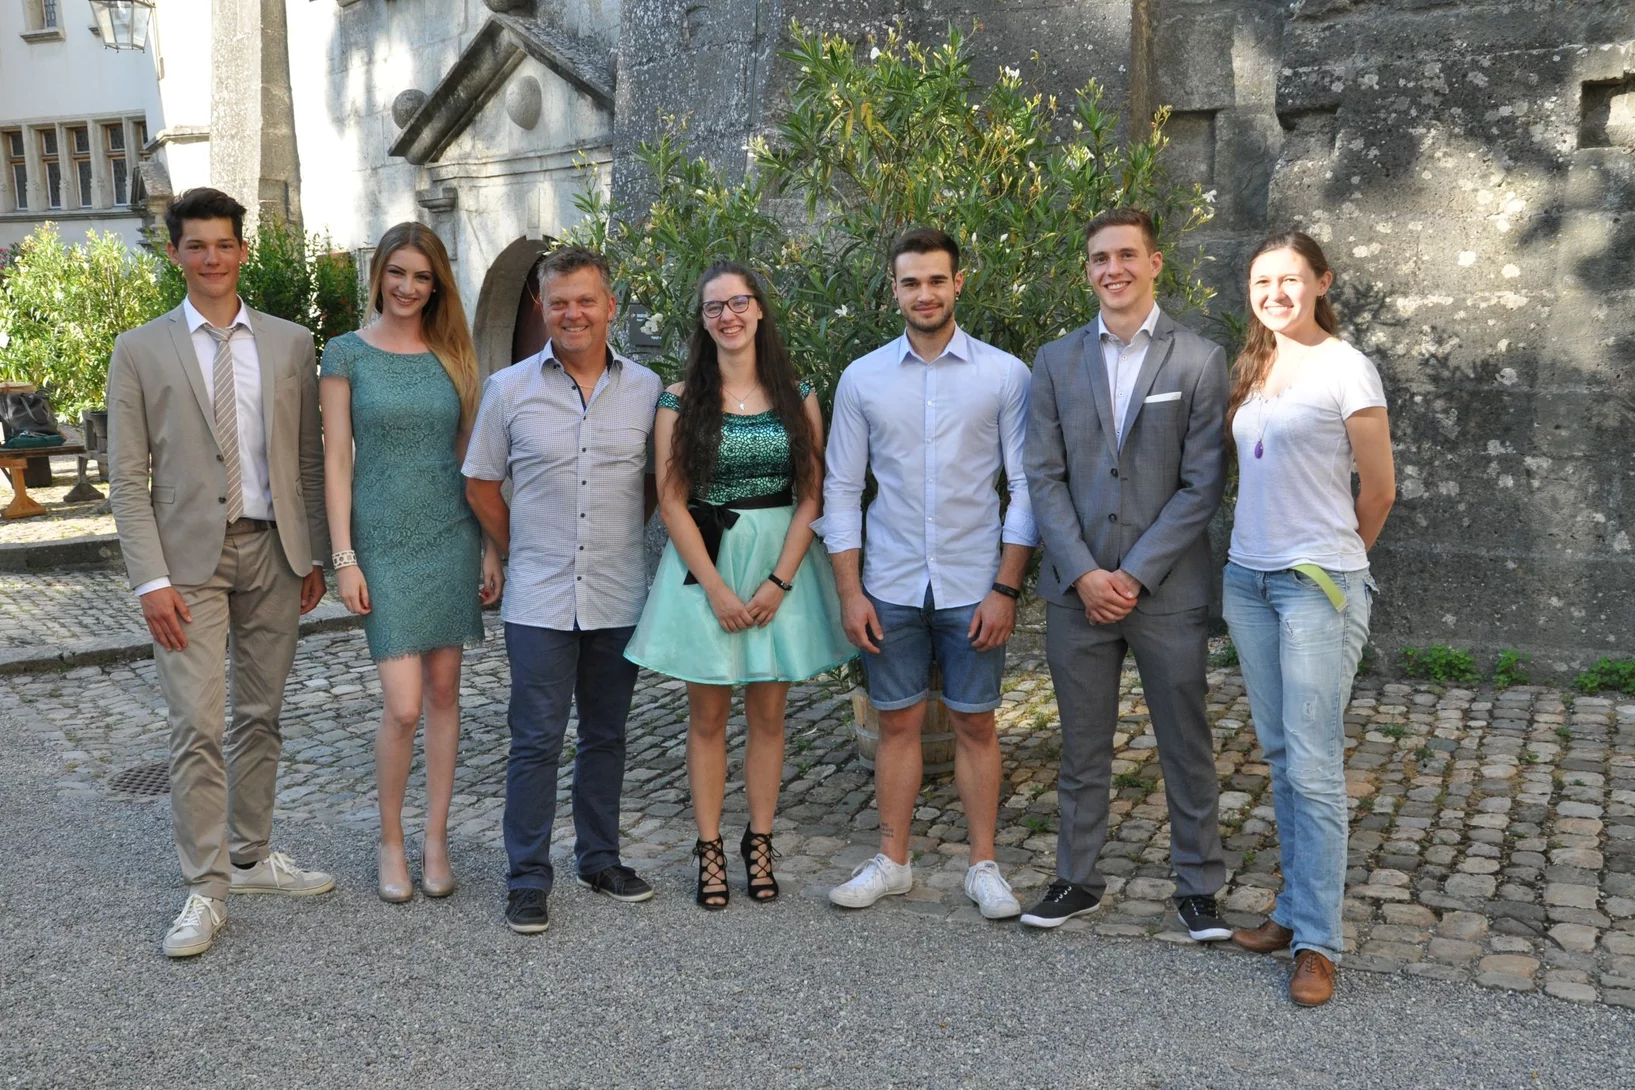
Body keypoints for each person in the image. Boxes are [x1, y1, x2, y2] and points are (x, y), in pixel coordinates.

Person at [106, 188, 333, 958]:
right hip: (184, 566)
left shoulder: (291, 343)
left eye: (224, 244)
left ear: (242, 250)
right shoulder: (140, 349)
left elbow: (307, 459)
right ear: (175, 253)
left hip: (274, 552)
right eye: (196, 245)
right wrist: (150, 581)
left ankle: (250, 854)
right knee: (197, 724)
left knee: (260, 714)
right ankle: (205, 889)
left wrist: (313, 552)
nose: (212, 258)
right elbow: (126, 477)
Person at [1021, 206, 1231, 941]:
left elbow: (1202, 485)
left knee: (1184, 744)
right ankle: (1076, 879)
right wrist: (1084, 573)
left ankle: (1199, 887)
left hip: (1166, 591)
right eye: (1099, 258)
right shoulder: (1054, 361)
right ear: (1087, 271)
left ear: (1154, 263)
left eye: (1125, 255)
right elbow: (1042, 476)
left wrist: (1133, 575)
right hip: (1076, 593)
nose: (1112, 269)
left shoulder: (1198, 359)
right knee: (1081, 746)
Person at [818, 228, 1036, 920]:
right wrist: (850, 592)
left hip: (975, 583)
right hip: (890, 581)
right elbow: (840, 490)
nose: (925, 293)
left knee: (975, 724)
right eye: (911, 282)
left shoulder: (1005, 375)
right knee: (896, 723)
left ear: (957, 284)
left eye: (936, 280)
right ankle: (893, 861)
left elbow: (1025, 488)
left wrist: (1005, 587)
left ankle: (983, 866)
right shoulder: (862, 378)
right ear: (894, 290)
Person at [625, 262, 854, 909]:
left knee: (769, 716)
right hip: (707, 566)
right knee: (706, 717)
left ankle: (760, 841)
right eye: (714, 307)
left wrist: (780, 580)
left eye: (738, 303)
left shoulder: (797, 394)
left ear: (758, 310)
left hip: (780, 566)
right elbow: (672, 501)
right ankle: (708, 848)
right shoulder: (678, 401)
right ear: (702, 322)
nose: (727, 316)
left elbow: (812, 495)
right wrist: (716, 589)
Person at [462, 246, 662, 935]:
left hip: (616, 590)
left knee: (606, 735)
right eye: (559, 303)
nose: (573, 314)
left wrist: (618, 535)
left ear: (610, 306)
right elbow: (480, 485)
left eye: (585, 300)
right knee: (535, 740)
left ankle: (599, 859)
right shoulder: (508, 389)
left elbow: (654, 484)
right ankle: (526, 877)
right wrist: (518, 546)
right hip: (538, 597)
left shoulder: (646, 389)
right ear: (541, 308)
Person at [1223, 232, 1394, 1007]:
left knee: (1315, 766)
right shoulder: (1255, 364)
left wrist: (1333, 559)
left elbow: (1379, 489)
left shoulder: (1345, 366)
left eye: (1290, 279)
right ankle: (1291, 912)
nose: (1275, 293)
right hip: (1246, 581)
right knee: (1282, 756)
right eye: (1262, 281)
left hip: (1314, 587)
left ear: (1321, 282)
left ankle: (1317, 943)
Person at [319, 222, 502, 903]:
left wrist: (490, 545)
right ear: (379, 275)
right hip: (382, 539)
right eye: (397, 272)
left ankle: (435, 840)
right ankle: (390, 839)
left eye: (422, 277)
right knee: (403, 706)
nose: (407, 286)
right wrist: (344, 557)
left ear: (437, 285)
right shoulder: (344, 353)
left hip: (451, 532)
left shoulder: (455, 355)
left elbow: (472, 458)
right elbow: (337, 460)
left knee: (446, 692)